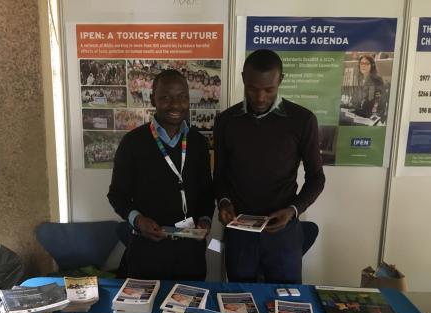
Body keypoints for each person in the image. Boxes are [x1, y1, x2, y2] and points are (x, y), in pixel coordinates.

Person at [213, 49, 325, 284]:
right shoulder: (226, 121)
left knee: (286, 304)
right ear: (243, 78)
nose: (260, 97)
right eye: (253, 88)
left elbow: (316, 177)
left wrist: (294, 209)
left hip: (283, 233)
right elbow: (220, 174)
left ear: (280, 81)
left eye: (269, 89)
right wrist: (223, 202)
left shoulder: (302, 120)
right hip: (240, 234)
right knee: (239, 300)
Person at [108, 69, 214, 280]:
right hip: (147, 251)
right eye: (165, 97)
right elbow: (117, 195)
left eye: (182, 97)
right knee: (145, 311)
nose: (175, 105)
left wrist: (205, 220)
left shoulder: (199, 143)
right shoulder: (133, 143)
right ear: (153, 98)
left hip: (190, 252)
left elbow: (207, 193)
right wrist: (137, 220)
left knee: (189, 309)